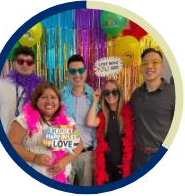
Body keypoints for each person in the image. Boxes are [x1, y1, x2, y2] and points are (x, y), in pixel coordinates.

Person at [7, 81, 83, 183]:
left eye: (53, 97)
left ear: (59, 101)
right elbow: (10, 145)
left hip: (61, 179)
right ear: (36, 100)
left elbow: (78, 145)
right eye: (44, 97)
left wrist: (63, 162)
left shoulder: (67, 120)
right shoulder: (24, 120)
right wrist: (34, 158)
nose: (49, 101)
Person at [129, 48, 175, 172]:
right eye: (145, 63)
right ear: (140, 68)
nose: (149, 66)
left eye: (155, 62)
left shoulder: (174, 94)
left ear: (162, 67)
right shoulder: (136, 94)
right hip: (139, 158)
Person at [60, 54, 99, 186]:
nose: (77, 74)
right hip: (65, 153)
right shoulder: (58, 97)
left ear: (86, 72)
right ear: (67, 74)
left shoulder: (94, 97)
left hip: (87, 155)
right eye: (72, 71)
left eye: (81, 70)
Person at [86, 80, 134, 185]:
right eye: (107, 92)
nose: (110, 95)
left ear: (119, 93)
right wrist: (95, 101)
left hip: (124, 167)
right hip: (106, 168)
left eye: (114, 91)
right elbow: (90, 122)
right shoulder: (103, 115)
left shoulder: (127, 113)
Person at [0, 46, 43, 134]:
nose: (25, 65)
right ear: (14, 64)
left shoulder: (40, 88)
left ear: (33, 66)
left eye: (29, 62)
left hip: (31, 139)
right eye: (21, 61)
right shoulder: (0, 85)